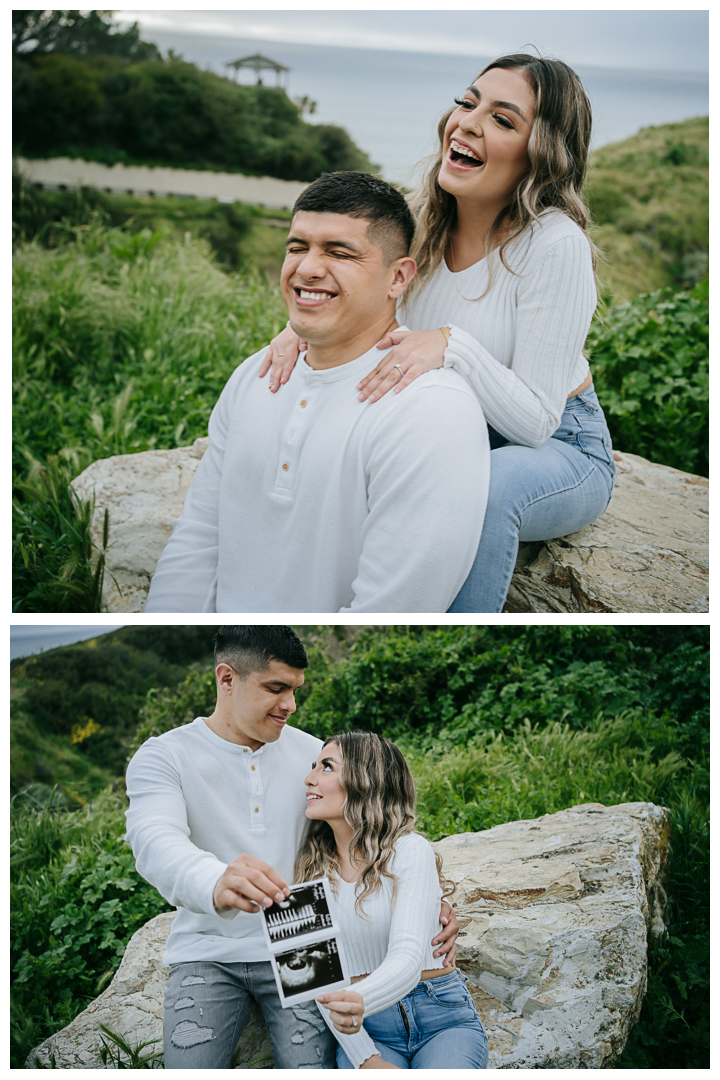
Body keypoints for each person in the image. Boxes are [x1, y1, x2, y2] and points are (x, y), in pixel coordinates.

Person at [261, 54, 616, 613]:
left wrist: (453, 346)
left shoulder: (555, 245)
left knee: (485, 489)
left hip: (561, 446)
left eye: (503, 119)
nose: (468, 122)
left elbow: (536, 421)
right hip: (447, 427)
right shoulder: (417, 217)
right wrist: (297, 330)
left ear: (541, 152)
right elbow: (350, 288)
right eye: (468, 101)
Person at [144, 171, 490, 613]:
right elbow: (198, 535)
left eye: (339, 252)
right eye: (296, 247)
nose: (306, 268)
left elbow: (395, 605)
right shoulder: (257, 373)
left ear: (398, 278)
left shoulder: (432, 409)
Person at [124, 625, 458, 1069]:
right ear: (227, 679)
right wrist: (215, 879)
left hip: (304, 937)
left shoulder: (308, 752)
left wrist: (427, 901)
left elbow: (371, 825)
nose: (290, 706)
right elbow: (153, 838)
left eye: (295, 690)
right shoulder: (164, 756)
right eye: (276, 688)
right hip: (206, 949)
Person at [299, 732, 489, 1070]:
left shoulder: (410, 849)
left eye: (326, 767)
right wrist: (366, 1057)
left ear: (365, 781)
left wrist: (357, 999)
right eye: (314, 766)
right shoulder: (303, 871)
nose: (309, 778)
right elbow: (314, 980)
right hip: (370, 1031)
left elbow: (409, 956)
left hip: (441, 1017)